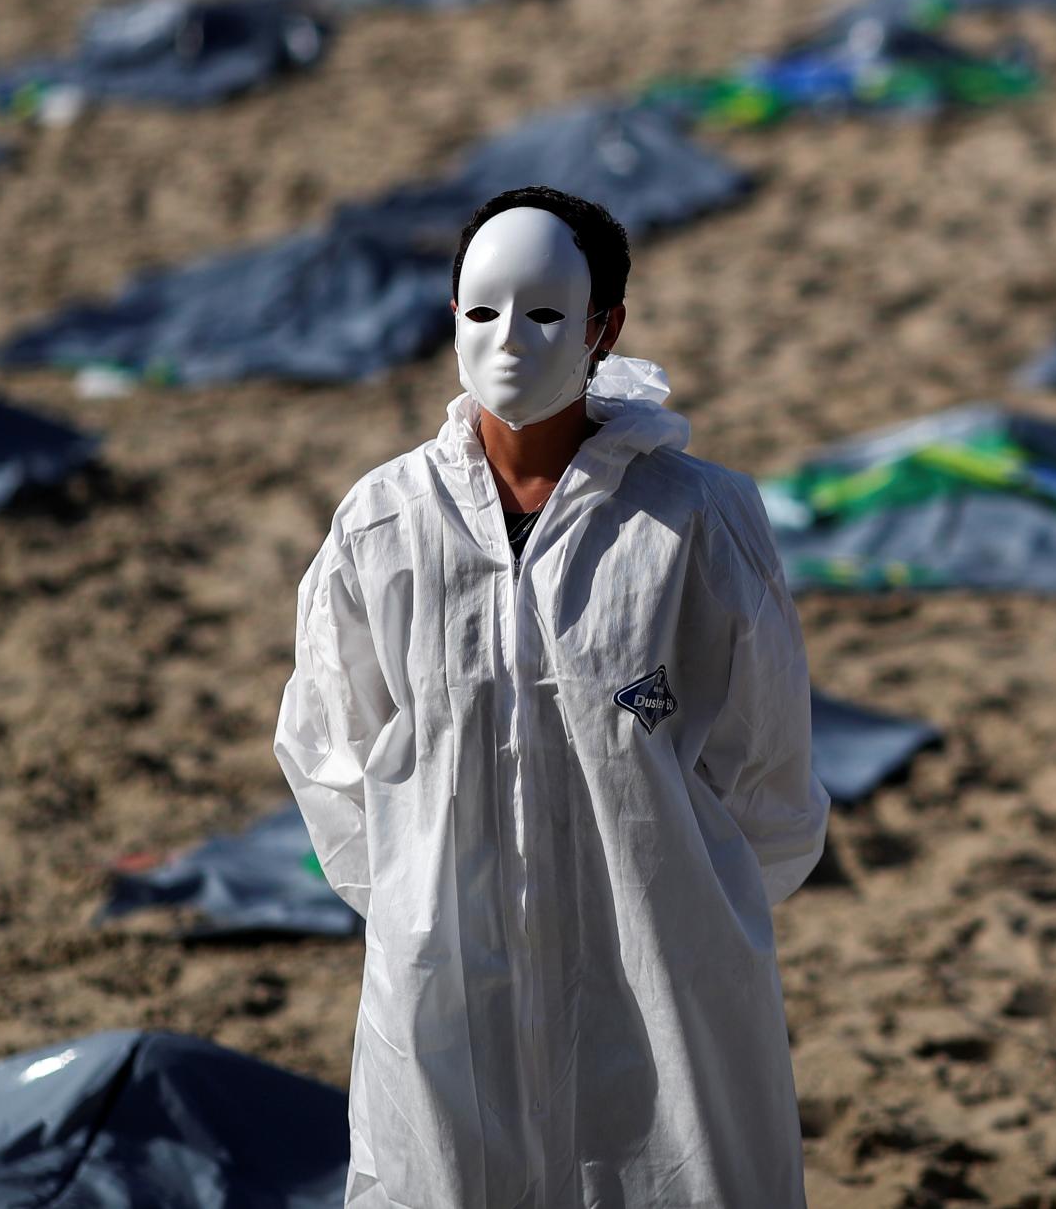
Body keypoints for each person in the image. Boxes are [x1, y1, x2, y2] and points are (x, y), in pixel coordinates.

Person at [275, 184, 829, 1208]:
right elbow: (330, 755)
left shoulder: (697, 520)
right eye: (481, 310)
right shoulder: (382, 525)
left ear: (602, 325)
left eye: (543, 312)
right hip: (446, 984)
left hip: (663, 984)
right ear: (449, 318)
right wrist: (419, 901)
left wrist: (684, 909)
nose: (508, 339)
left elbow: (768, 776)